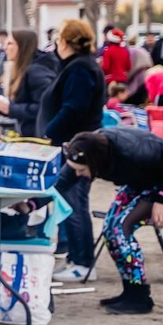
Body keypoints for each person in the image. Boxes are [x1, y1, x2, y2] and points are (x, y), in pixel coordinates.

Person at [61, 128, 163, 315]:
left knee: (120, 229)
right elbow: (62, 182)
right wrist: (32, 204)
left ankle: (140, 297)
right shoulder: (83, 150)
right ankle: (130, 290)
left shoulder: (133, 150)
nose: (78, 175)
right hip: (140, 183)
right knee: (109, 229)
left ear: (93, 162)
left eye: (82, 171)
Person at [39, 19, 108, 282]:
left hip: (78, 145)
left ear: (66, 42)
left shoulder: (80, 69)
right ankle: (77, 259)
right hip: (76, 142)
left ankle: (83, 262)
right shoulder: (80, 66)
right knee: (69, 200)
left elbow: (74, 107)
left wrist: (50, 131)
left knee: (74, 202)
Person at [0, 29, 56, 139]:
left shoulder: (36, 71)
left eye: (10, 43)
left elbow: (44, 106)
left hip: (38, 138)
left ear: (22, 46)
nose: (5, 47)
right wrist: (4, 107)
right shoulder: (26, 69)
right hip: (30, 135)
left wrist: (10, 108)